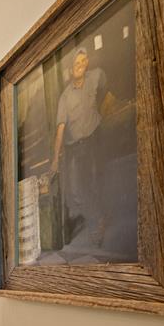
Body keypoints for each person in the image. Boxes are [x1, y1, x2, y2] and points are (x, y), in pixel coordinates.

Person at [46, 47, 116, 248]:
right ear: (70, 70)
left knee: (100, 178)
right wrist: (55, 159)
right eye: (77, 63)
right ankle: (98, 221)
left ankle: (100, 219)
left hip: (96, 136)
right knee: (82, 187)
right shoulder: (65, 98)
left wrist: (105, 109)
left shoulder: (96, 76)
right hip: (77, 146)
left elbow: (107, 91)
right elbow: (60, 130)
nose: (81, 66)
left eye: (84, 61)